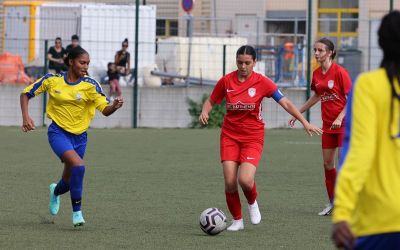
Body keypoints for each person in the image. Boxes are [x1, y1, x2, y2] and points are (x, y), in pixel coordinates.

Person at [199, 45, 322, 231]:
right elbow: (211, 100)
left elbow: (286, 102)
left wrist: (304, 122)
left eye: (247, 63)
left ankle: (252, 202)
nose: (243, 66)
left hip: (252, 137)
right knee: (230, 181)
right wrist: (204, 111)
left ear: (254, 62)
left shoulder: (262, 82)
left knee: (245, 180)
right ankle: (237, 221)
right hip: (229, 136)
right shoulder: (226, 81)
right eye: (240, 62)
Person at [20, 47, 124, 227]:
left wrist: (114, 106)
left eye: (87, 63)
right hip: (58, 133)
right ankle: (77, 213)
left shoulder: (91, 85)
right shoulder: (52, 80)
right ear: (70, 62)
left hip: (80, 138)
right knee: (79, 165)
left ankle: (55, 192)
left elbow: (105, 111)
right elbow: (25, 94)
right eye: (82, 62)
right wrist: (26, 117)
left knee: (68, 181)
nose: (85, 66)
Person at [332, 11, 400, 249]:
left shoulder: (369, 86)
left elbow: (360, 153)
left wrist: (342, 212)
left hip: (380, 221)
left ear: (381, 43)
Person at [288, 38, 352, 216]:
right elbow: (317, 95)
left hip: (344, 124)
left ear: (330, 52)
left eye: (320, 50)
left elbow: (351, 99)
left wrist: (340, 117)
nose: (316, 53)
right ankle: (334, 203)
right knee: (327, 164)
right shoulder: (316, 74)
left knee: (344, 165)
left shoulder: (340, 72)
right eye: (315, 50)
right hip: (327, 125)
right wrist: (297, 113)